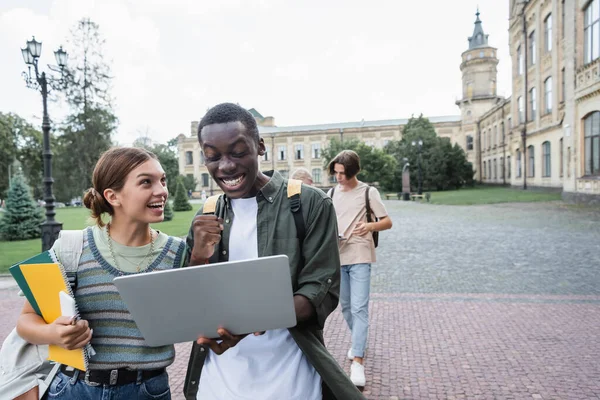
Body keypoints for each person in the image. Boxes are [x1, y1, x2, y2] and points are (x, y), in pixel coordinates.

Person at [184, 103, 364, 400]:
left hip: (289, 378)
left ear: (261, 147)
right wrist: (196, 256)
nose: (225, 165)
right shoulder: (205, 215)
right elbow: (192, 300)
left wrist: (247, 323)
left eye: (238, 152)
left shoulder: (310, 204)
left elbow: (319, 292)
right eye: (213, 156)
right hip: (218, 381)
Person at [16, 147, 186, 399]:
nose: (162, 190)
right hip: (73, 389)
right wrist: (54, 333)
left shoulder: (179, 252)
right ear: (113, 196)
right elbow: (26, 321)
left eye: (162, 180)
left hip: (147, 391)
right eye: (146, 182)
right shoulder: (72, 247)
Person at [327, 150, 393, 388]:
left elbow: (387, 221)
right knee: (345, 307)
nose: (338, 178)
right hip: (339, 256)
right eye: (335, 173)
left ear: (353, 171)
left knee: (359, 308)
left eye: (342, 173)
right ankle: (359, 342)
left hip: (361, 255)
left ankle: (358, 361)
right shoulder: (332, 193)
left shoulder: (368, 192)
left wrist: (368, 225)